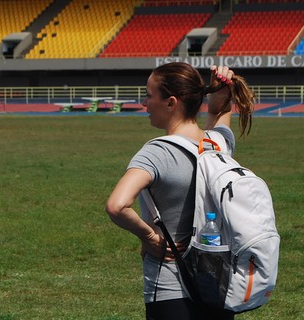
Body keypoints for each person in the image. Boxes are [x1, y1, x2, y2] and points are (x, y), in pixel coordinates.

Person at [105, 62, 255, 320]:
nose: (144, 102)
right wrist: (222, 94)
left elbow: (117, 206)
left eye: (149, 95)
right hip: (216, 283)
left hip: (170, 286)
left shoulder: (157, 153)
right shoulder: (218, 144)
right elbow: (220, 115)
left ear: (171, 102)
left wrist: (150, 237)